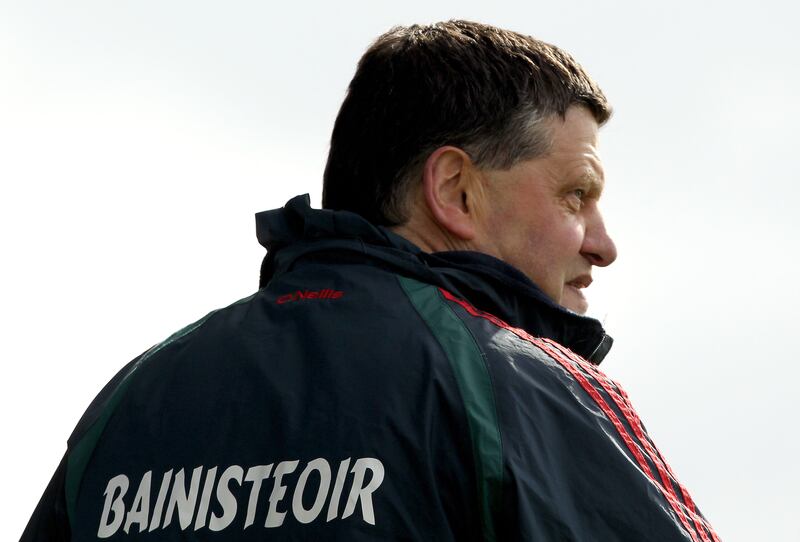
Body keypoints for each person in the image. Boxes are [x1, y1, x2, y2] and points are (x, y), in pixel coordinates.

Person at [22, 20, 720, 541]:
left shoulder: (131, 402)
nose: (603, 244)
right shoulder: (519, 386)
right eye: (576, 195)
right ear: (456, 191)